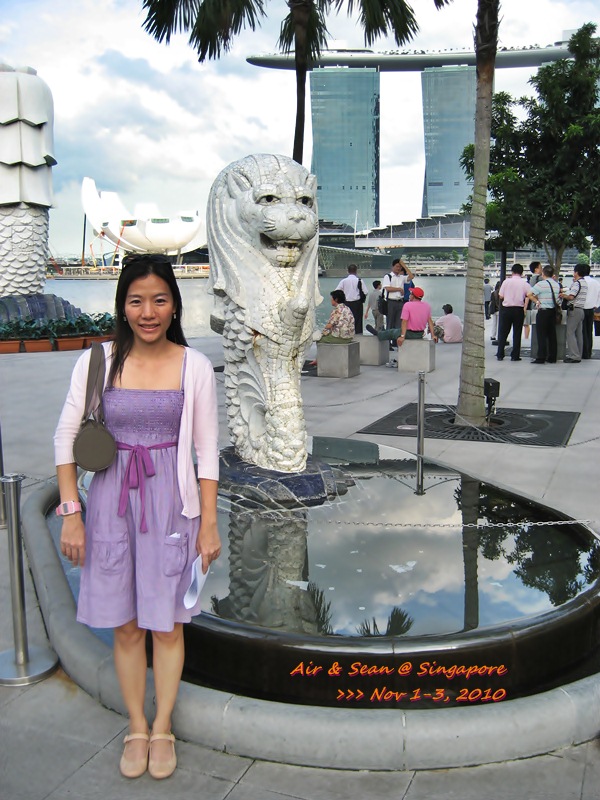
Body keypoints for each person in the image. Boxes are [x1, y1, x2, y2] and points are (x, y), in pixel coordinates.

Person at [54, 254, 220, 781]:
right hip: (109, 504)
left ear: (175, 305)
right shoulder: (97, 361)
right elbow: (66, 436)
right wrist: (71, 513)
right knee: (126, 626)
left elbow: (208, 452)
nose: (148, 312)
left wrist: (209, 523)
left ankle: (164, 724)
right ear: (122, 307)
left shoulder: (193, 366)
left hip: (172, 504)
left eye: (159, 300)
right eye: (136, 301)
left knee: (167, 624)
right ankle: (136, 725)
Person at [366, 286, 437, 347]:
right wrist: (433, 335)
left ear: (412, 296)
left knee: (392, 332)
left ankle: (378, 334)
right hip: (420, 333)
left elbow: (404, 321)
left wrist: (402, 336)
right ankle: (382, 332)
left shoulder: (408, 305)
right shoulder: (427, 306)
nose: (409, 295)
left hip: (408, 333)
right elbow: (430, 322)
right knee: (394, 331)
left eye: (411, 294)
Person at [526, 264, 560, 364]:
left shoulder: (541, 284)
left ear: (543, 273)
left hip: (543, 312)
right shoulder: (556, 284)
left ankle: (541, 357)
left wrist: (537, 301)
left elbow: (529, 294)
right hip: (553, 312)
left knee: (541, 335)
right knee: (552, 335)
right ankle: (552, 357)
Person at [496, 264, 530, 361]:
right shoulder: (525, 284)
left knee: (503, 332)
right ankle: (515, 356)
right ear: (522, 272)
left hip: (506, 309)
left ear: (512, 271)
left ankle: (500, 354)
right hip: (518, 309)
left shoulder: (506, 282)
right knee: (517, 333)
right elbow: (529, 294)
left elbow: (501, 296)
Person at [382, 258, 414, 341]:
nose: (398, 268)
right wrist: (399, 289)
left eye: (400, 267)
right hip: (391, 301)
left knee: (398, 323)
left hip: (400, 302)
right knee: (390, 322)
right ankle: (387, 342)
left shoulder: (401, 277)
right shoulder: (388, 276)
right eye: (397, 266)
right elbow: (387, 288)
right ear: (392, 267)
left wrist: (404, 265)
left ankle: (395, 341)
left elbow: (411, 276)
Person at [560, 266, 588, 363]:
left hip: (574, 310)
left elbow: (571, 297)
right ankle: (578, 354)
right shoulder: (584, 283)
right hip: (581, 310)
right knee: (579, 334)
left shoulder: (577, 283)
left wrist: (563, 295)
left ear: (576, 272)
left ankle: (574, 356)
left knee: (570, 332)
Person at [336, 264, 365, 334]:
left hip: (347, 303)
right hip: (357, 303)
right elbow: (365, 292)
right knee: (358, 322)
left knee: (347, 320)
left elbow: (337, 291)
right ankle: (358, 336)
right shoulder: (360, 280)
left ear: (348, 271)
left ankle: (347, 335)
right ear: (356, 271)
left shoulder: (343, 281)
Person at [579, 264, 600, 359]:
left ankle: (583, 352)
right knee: (589, 331)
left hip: (581, 308)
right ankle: (588, 351)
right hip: (592, 309)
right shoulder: (596, 282)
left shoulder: (580, 282)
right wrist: (596, 305)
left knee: (581, 331)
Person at [523, 261, 542, 339]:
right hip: (537, 305)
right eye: (541, 267)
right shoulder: (540, 278)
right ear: (536, 269)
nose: (542, 269)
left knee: (528, 324)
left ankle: (527, 339)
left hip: (530, 306)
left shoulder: (530, 279)